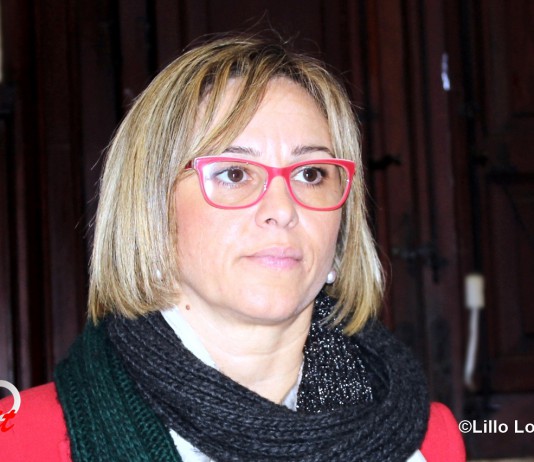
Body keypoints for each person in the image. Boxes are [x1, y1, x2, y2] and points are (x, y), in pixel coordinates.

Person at [0, 33, 465, 461]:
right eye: (235, 173)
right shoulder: (21, 442)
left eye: (311, 174)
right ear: (151, 211)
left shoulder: (431, 441)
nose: (282, 209)